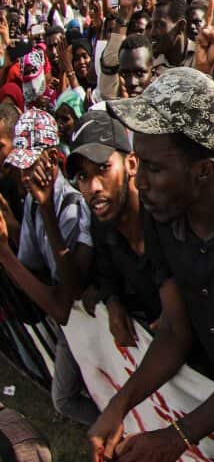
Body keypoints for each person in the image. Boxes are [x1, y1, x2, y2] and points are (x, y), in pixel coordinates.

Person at [88, 68, 214, 461]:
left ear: (203, 169)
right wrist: (119, 406)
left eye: (153, 168)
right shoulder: (161, 215)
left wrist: (177, 436)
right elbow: (174, 329)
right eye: (139, 163)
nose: (139, 183)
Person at [0, 110, 97, 425]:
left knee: (65, 398)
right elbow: (33, 266)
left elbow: (62, 304)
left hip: (91, 321)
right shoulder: (32, 201)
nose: (24, 175)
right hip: (75, 325)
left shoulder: (71, 209)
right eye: (21, 164)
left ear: (53, 158)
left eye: (31, 163)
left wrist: (4, 254)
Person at [69, 110, 161, 344]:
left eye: (103, 168)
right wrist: (112, 300)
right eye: (82, 176)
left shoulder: (165, 218)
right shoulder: (101, 223)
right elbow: (106, 273)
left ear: (131, 163)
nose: (94, 187)